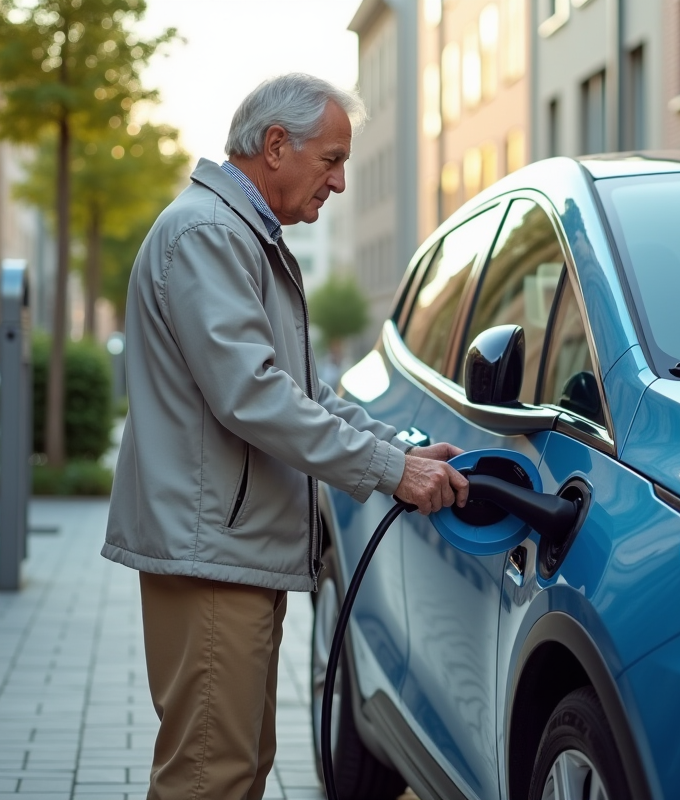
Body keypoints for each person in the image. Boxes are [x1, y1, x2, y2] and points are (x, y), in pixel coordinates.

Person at [102, 74, 469, 800]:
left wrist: (398, 448)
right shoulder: (210, 234)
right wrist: (388, 470)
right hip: (214, 556)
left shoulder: (239, 235)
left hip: (232, 551)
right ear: (276, 146)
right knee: (211, 777)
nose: (339, 181)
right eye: (331, 160)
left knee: (234, 768)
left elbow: (302, 392)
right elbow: (254, 396)